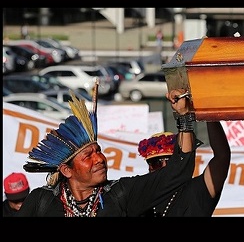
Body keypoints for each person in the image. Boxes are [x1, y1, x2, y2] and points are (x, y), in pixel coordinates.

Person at [16, 84, 200, 217]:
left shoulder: (121, 193)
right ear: (67, 170)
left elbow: (178, 171)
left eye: (99, 151)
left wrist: (184, 118)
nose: (99, 159)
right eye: (88, 156)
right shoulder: (41, 201)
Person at [138, 118, 231, 217]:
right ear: (149, 167)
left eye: (169, 160)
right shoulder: (140, 198)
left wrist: (208, 114)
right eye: (156, 163)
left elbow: (222, 156)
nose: (164, 166)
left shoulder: (195, 192)